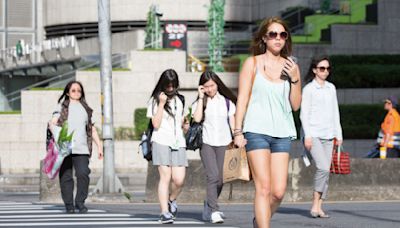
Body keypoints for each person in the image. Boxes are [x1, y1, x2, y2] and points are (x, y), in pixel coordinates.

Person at [234, 17, 301, 228]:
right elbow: (242, 99)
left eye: (283, 34)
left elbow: (295, 105)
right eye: (273, 34)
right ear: (264, 37)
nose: (278, 38)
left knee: (278, 192)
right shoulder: (252, 63)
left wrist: (296, 78)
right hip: (256, 131)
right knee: (263, 188)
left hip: (282, 132)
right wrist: (237, 132)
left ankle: (260, 220)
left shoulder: (290, 66)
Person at [49, 81, 103, 214]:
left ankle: (80, 201)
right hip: (65, 147)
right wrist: (53, 124)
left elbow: (91, 129)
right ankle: (69, 204)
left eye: (79, 90)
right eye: (73, 90)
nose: (76, 93)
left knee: (83, 174)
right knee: (66, 176)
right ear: (67, 92)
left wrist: (99, 147)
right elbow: (53, 121)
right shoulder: (62, 107)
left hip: (82, 148)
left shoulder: (85, 108)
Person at [191, 71, 237, 224]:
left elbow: (232, 123)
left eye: (212, 85)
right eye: (206, 86)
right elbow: (197, 119)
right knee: (212, 176)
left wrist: (238, 137)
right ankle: (214, 210)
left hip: (224, 142)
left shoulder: (227, 102)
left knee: (221, 179)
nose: (209, 89)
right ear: (201, 87)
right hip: (207, 143)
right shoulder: (200, 102)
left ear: (217, 84)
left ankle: (208, 205)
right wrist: (200, 97)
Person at [300, 56, 343, 218]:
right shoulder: (309, 89)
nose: (325, 71)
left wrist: (339, 134)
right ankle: (314, 204)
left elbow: (335, 112)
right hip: (314, 135)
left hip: (329, 134)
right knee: (323, 167)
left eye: (327, 68)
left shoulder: (331, 88)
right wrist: (308, 136)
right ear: (314, 70)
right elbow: (304, 114)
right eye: (321, 68)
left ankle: (319, 206)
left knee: (326, 171)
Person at [146, 69, 188, 224]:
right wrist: (162, 104)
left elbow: (183, 124)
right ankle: (164, 212)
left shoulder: (181, 99)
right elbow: (155, 124)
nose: (170, 89)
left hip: (178, 142)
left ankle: (171, 200)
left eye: (173, 85)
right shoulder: (155, 100)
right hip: (161, 141)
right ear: (163, 85)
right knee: (166, 177)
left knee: (179, 180)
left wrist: (186, 125)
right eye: (168, 85)